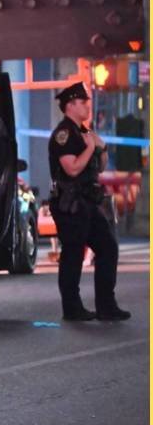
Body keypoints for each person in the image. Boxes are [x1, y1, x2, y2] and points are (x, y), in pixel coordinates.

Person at [48, 82, 129, 322]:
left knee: (107, 247)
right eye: (83, 102)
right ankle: (72, 308)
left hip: (88, 202)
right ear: (70, 105)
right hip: (70, 203)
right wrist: (90, 147)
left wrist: (101, 149)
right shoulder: (65, 134)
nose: (87, 106)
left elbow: (99, 167)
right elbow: (71, 168)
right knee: (73, 253)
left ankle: (106, 305)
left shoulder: (84, 132)